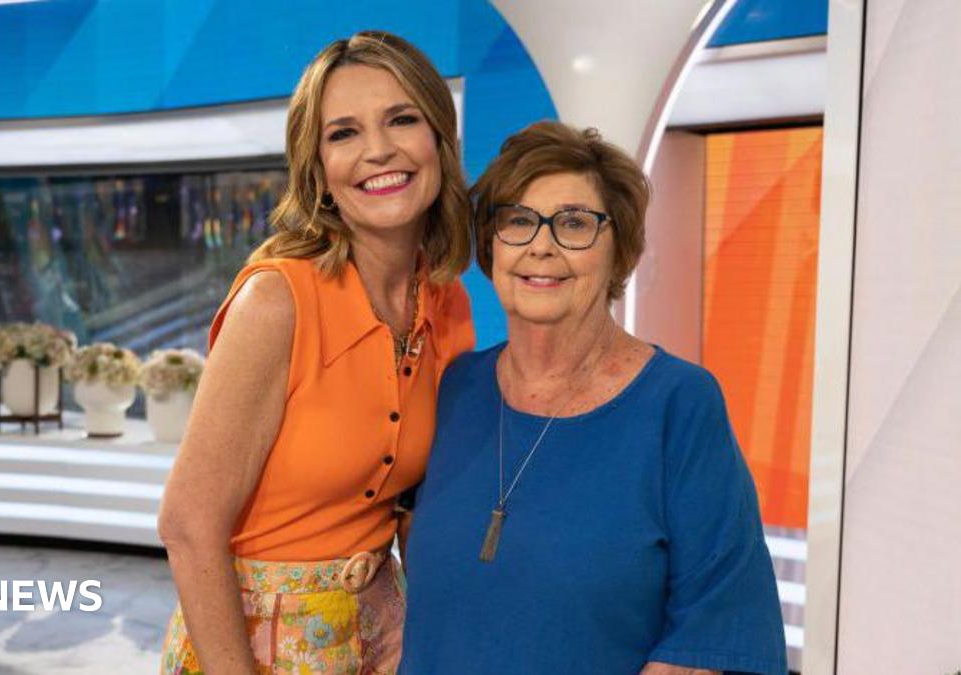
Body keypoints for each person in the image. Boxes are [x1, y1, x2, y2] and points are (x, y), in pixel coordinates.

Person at [399, 121, 788, 675]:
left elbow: (712, 629)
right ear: (490, 245)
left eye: (574, 224)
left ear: (619, 250)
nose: (541, 245)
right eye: (517, 221)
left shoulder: (678, 404)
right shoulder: (455, 388)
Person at [157, 31, 475, 675]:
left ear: (439, 140)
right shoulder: (276, 302)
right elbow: (188, 525)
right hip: (251, 646)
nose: (378, 150)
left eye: (402, 119)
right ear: (318, 170)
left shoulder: (448, 302)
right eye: (344, 133)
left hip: (384, 631)